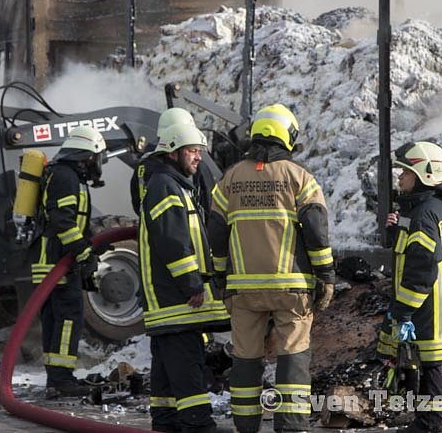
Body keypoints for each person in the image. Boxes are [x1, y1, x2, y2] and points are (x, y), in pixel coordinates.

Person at [211, 103, 334, 433]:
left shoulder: (230, 180)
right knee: (292, 355)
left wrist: (221, 277)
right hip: (290, 289)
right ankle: (291, 426)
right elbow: (317, 232)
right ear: (288, 136)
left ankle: (246, 425)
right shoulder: (300, 179)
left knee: (246, 357)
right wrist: (326, 277)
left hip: (243, 290)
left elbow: (217, 234)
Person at [138, 122, 228, 433]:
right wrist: (192, 283)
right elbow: (172, 241)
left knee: (166, 367)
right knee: (188, 364)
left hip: (169, 302)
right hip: (176, 300)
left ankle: (166, 422)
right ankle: (198, 423)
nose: (198, 157)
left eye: (200, 151)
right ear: (173, 152)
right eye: (192, 151)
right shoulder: (165, 185)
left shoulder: (173, 184)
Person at [377, 141, 442, 433]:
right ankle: (441, 422)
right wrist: (399, 226)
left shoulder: (424, 216)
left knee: (431, 370)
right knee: (432, 369)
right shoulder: (432, 209)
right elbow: (417, 248)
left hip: (427, 309)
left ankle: (432, 424)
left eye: (406, 173)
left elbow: (421, 268)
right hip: (435, 305)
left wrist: (403, 311)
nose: (400, 178)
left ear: (425, 174)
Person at [30, 126, 108, 398]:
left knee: (55, 320)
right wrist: (83, 253)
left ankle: (56, 379)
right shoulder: (65, 177)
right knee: (67, 320)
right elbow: (62, 221)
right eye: (97, 158)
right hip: (56, 262)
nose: (98, 165)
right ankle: (62, 380)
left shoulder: (66, 175)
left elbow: (73, 220)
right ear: (86, 156)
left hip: (53, 260)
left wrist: (89, 246)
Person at [131, 107, 222, 225]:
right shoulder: (192, 166)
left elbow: (137, 203)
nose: (198, 157)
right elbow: (211, 206)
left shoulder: (142, 166)